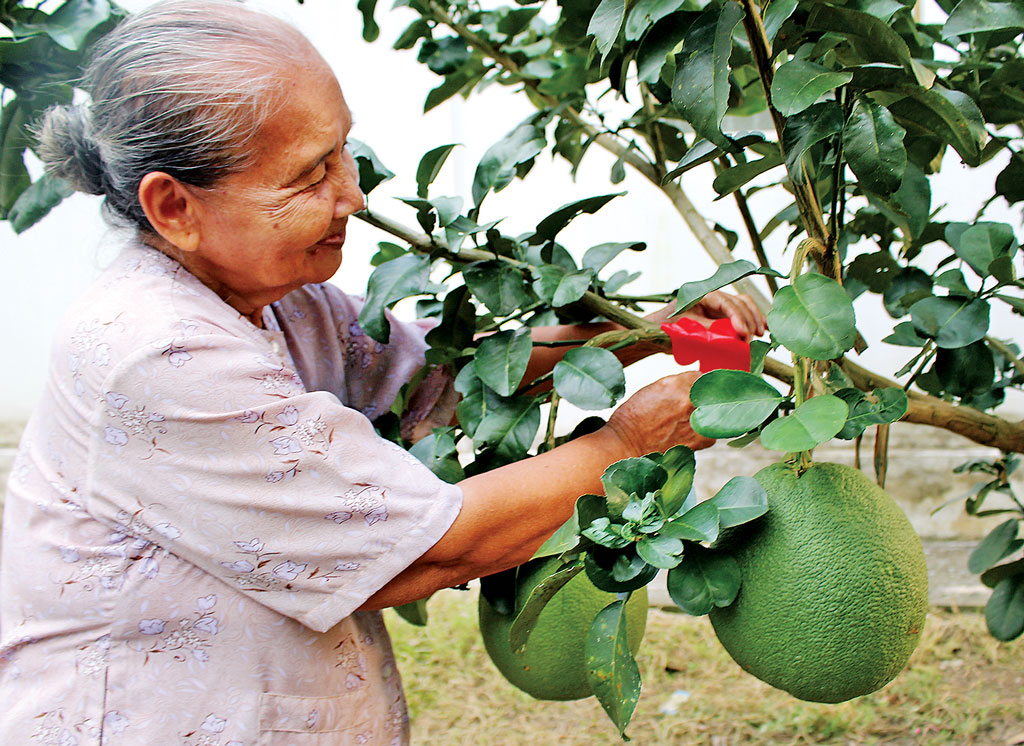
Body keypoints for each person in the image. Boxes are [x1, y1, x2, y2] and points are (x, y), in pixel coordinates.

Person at [0, 1, 766, 743]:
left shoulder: (274, 298)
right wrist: (627, 444)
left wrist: (644, 331)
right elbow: (426, 547)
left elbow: (444, 375)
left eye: (344, 154)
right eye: (308, 176)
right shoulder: (157, 353)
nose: (353, 197)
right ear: (173, 208)